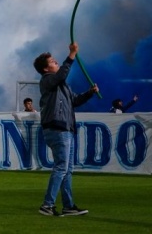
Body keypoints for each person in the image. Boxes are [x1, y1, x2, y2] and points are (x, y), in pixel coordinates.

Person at [33, 42, 98, 217]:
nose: (56, 62)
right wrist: (72, 55)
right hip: (58, 129)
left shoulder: (61, 85)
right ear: (45, 69)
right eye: (52, 61)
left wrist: (90, 93)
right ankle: (47, 204)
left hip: (65, 129)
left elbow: (74, 101)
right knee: (62, 167)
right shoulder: (48, 80)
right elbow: (62, 74)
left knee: (67, 169)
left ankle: (68, 206)